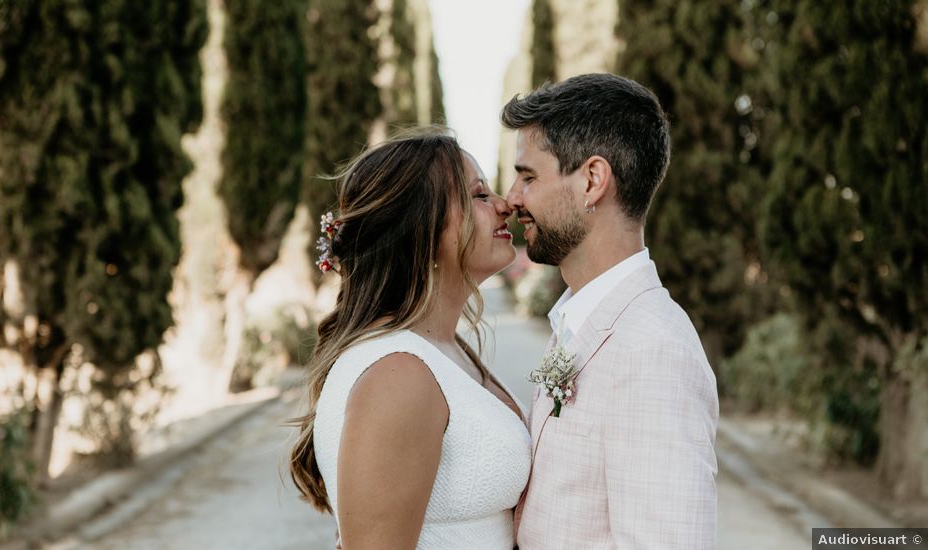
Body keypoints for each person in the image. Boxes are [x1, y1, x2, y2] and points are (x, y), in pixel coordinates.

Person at [502, 73, 719, 549]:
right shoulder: (583, 322)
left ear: (592, 181)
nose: (512, 197)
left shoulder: (653, 352)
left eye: (529, 176)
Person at [288, 130, 531, 550]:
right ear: (423, 227)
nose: (504, 205)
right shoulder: (396, 376)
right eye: (478, 195)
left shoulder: (439, 351)